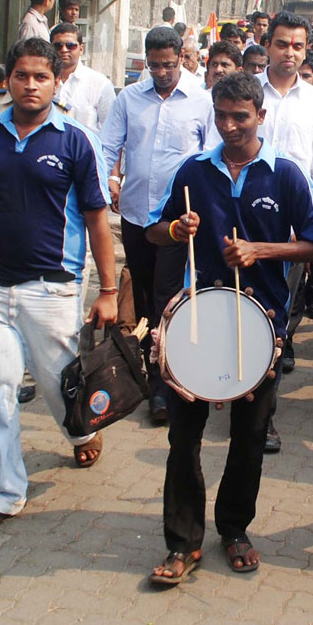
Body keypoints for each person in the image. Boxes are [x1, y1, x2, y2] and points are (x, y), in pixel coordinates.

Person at [145, 72, 313, 586]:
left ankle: (234, 529)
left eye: (240, 116)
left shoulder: (287, 176)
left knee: (248, 437)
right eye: (221, 115)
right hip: (196, 320)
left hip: (263, 324)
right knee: (183, 438)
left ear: (260, 116)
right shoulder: (193, 172)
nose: (229, 126)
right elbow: (152, 230)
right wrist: (174, 230)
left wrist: (262, 250)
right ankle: (182, 542)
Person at [0, 38, 117, 532]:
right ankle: (3, 489)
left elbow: (97, 220)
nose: (31, 85)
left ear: (56, 82)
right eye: (22, 75)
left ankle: (78, 433)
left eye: (41, 77)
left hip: (52, 286)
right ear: (8, 80)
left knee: (58, 382)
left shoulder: (75, 140)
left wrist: (108, 291)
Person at [101, 26, 212, 424]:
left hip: (177, 220)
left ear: (182, 57)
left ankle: (164, 390)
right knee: (146, 295)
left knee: (168, 297)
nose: (161, 72)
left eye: (168, 64)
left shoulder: (201, 100)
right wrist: (106, 183)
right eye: (154, 66)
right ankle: (150, 370)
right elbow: (108, 147)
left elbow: (212, 155)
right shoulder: (129, 98)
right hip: (134, 214)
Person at [238, 11, 313, 450]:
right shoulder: (243, 92)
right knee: (236, 310)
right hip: (240, 221)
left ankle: (263, 418)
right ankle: (227, 388)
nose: (290, 53)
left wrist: (312, 231)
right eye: (282, 44)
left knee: (278, 320)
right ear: (268, 45)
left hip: (290, 229)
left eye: (298, 46)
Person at [51, 23, 115, 133]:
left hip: (86, 148)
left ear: (81, 49)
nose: (64, 50)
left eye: (70, 45)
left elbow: (111, 130)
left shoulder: (100, 84)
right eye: (58, 46)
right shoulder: (41, 81)